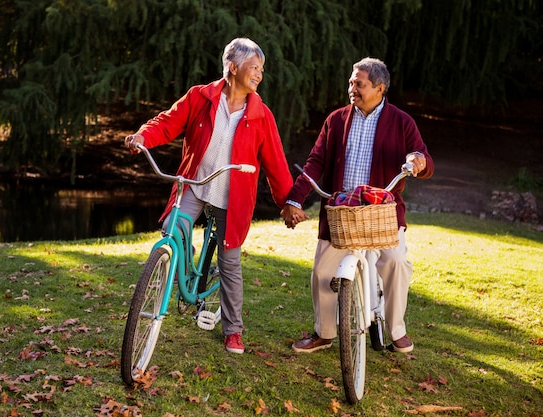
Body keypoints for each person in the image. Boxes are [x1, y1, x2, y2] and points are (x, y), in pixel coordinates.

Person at [124, 38, 293, 354]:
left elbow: (276, 164)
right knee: (171, 230)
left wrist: (288, 203)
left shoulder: (261, 115)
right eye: (254, 68)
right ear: (233, 67)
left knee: (229, 263)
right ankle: (183, 276)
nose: (259, 75)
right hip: (195, 184)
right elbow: (168, 122)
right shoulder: (200, 97)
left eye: (261, 69)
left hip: (232, 197)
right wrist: (143, 135)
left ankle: (233, 330)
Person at [281, 57, 434, 354]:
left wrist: (418, 161)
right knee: (322, 272)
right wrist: (294, 198)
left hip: (382, 213)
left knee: (396, 263)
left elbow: (423, 158)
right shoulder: (336, 119)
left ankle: (396, 329)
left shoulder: (403, 122)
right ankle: (323, 333)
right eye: (351, 82)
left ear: (379, 88)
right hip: (340, 211)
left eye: (359, 84)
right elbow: (316, 162)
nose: (352, 88)